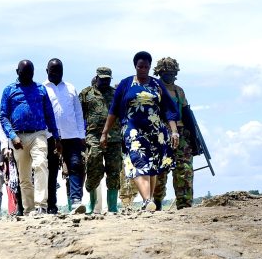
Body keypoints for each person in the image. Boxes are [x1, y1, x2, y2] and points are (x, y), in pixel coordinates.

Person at [100, 51, 179, 212]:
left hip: (156, 132)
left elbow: (169, 109)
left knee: (152, 166)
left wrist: (174, 131)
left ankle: (148, 203)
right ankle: (147, 199)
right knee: (138, 162)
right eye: (140, 66)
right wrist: (105, 132)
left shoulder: (157, 84)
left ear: (150, 67)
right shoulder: (126, 84)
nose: (143, 69)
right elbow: (114, 109)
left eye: (146, 67)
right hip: (132, 130)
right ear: (135, 66)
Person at [0, 60, 57, 216]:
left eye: (30, 73)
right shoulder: (9, 90)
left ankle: (41, 206)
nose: (27, 76)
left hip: (39, 133)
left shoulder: (40, 89)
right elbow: (3, 116)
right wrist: (12, 136)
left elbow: (49, 114)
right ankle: (29, 209)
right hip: (18, 137)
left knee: (40, 164)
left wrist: (56, 136)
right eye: (24, 73)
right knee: (24, 175)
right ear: (17, 72)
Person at [151, 57, 195, 210]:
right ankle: (156, 202)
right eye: (165, 72)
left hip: (181, 132)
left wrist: (193, 137)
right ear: (159, 72)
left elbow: (187, 113)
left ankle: (184, 204)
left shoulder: (179, 91)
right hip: (160, 133)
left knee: (185, 169)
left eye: (171, 72)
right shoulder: (153, 89)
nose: (169, 75)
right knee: (160, 169)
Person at [44, 59, 87, 214]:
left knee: (76, 166)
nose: (56, 73)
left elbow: (78, 112)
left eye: (59, 70)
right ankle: (51, 205)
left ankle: (76, 201)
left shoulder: (70, 88)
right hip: (50, 136)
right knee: (52, 170)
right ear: (47, 70)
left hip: (72, 135)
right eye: (52, 70)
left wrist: (81, 135)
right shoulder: (42, 88)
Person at [80, 68, 120, 214]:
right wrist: (81, 136)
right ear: (96, 77)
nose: (105, 81)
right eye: (102, 79)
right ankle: (92, 204)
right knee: (93, 168)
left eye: (108, 79)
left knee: (114, 170)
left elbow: (121, 115)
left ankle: (113, 207)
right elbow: (80, 116)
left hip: (114, 138)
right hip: (93, 138)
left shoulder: (116, 94)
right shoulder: (86, 93)